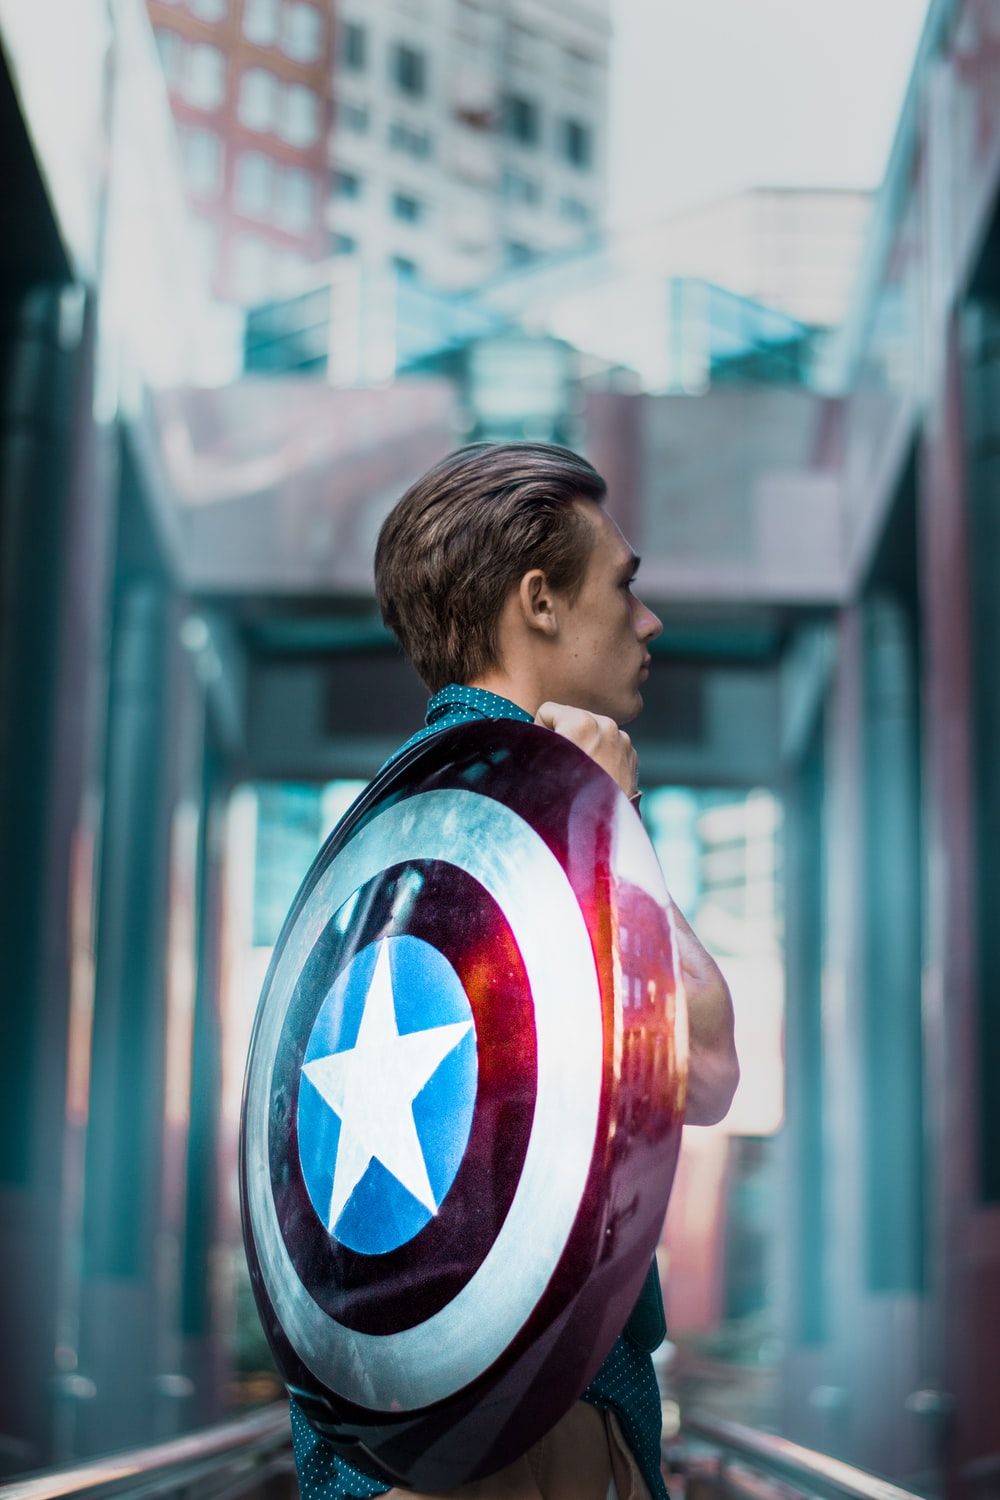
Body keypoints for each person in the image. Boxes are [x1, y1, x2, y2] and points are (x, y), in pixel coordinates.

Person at [290, 441, 739, 1500]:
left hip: (393, 1437)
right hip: (521, 1441)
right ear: (539, 601)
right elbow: (709, 1065)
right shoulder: (530, 825)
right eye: (622, 584)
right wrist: (603, 817)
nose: (647, 620)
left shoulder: (378, 846)